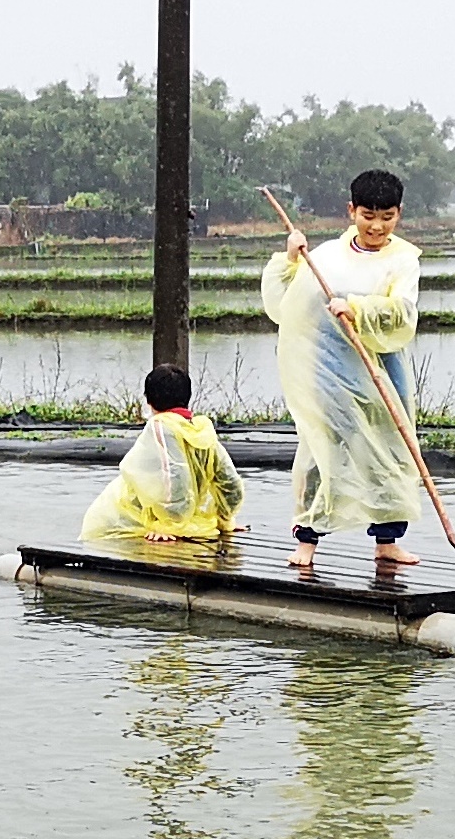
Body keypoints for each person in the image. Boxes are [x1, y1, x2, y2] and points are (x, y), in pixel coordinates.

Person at [260, 168, 424, 573]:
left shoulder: (404, 260)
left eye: (386, 217)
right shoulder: (328, 257)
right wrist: (291, 258)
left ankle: (387, 543)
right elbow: (284, 305)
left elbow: (403, 313)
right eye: (368, 215)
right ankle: (307, 544)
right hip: (328, 371)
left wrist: (359, 308)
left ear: (399, 214)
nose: (377, 225)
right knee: (322, 448)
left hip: (379, 368)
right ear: (351, 211)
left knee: (391, 449)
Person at [80, 363, 247, 544]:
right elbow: (229, 481)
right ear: (187, 397)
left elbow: (175, 475)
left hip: (142, 523)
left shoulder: (160, 426)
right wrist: (225, 518)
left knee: (97, 540)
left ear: (149, 401)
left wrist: (169, 524)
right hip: (191, 524)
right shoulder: (201, 428)